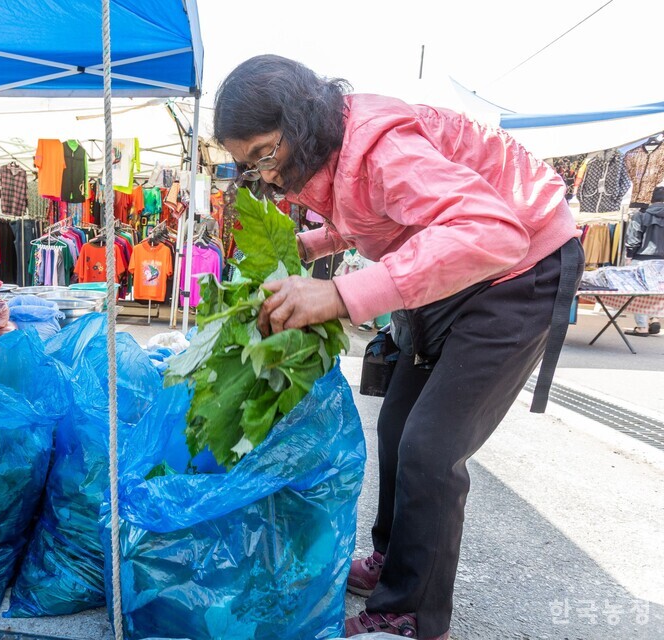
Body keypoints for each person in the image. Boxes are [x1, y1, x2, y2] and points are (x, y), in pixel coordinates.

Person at [213, 55, 584, 640]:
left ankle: (413, 614)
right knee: (397, 427)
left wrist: (339, 294)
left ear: (301, 121)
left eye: (264, 154)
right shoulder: (331, 152)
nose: (265, 175)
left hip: (518, 270)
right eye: (248, 165)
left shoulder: (380, 143)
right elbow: (377, 210)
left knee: (431, 448)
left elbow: (489, 231)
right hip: (455, 274)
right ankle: (395, 561)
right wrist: (312, 246)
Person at [623, 185, 664, 336]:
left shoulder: (641, 216)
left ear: (652, 199)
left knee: (639, 292)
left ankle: (642, 327)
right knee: (658, 292)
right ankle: (655, 319)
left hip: (642, 259)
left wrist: (629, 256)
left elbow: (633, 239)